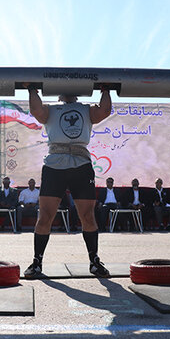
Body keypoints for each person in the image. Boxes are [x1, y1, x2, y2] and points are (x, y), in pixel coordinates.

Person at [23, 86, 112, 279]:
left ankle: (94, 261)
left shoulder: (86, 109)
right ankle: (37, 262)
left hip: (81, 164)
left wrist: (106, 90)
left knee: (87, 216)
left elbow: (105, 111)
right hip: (54, 165)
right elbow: (36, 110)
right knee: (45, 216)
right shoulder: (50, 110)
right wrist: (31, 89)